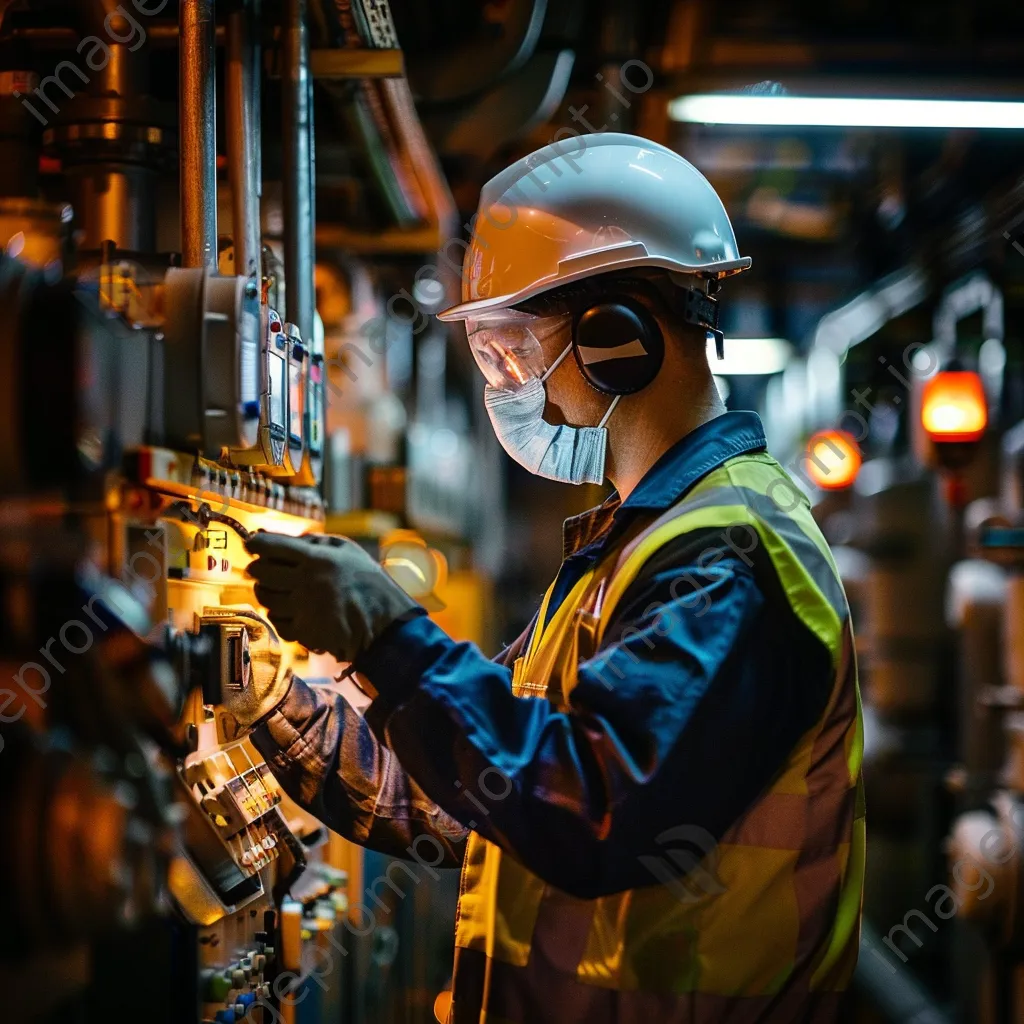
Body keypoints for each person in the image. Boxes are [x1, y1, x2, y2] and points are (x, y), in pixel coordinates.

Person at [232, 133, 865, 1023]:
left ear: (619, 337)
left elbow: (589, 811)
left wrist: (387, 631)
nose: (509, 388)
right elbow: (475, 796)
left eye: (515, 350)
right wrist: (263, 696)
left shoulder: (730, 559)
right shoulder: (631, 551)